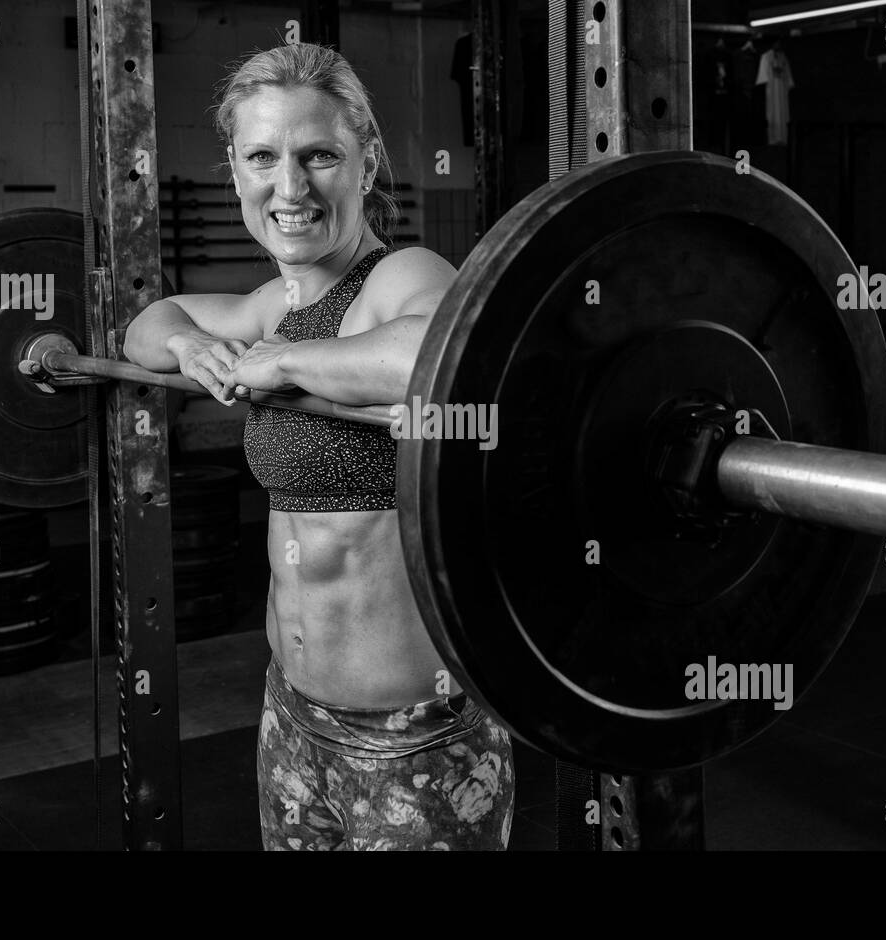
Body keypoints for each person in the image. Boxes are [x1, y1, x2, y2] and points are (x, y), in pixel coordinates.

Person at [124, 42, 514, 851]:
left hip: (416, 736)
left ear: (366, 165)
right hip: (293, 720)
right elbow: (147, 326)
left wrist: (285, 359)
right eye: (262, 157)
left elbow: (438, 353)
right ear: (234, 171)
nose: (290, 187)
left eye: (320, 156)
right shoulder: (277, 301)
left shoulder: (398, 276)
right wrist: (196, 351)